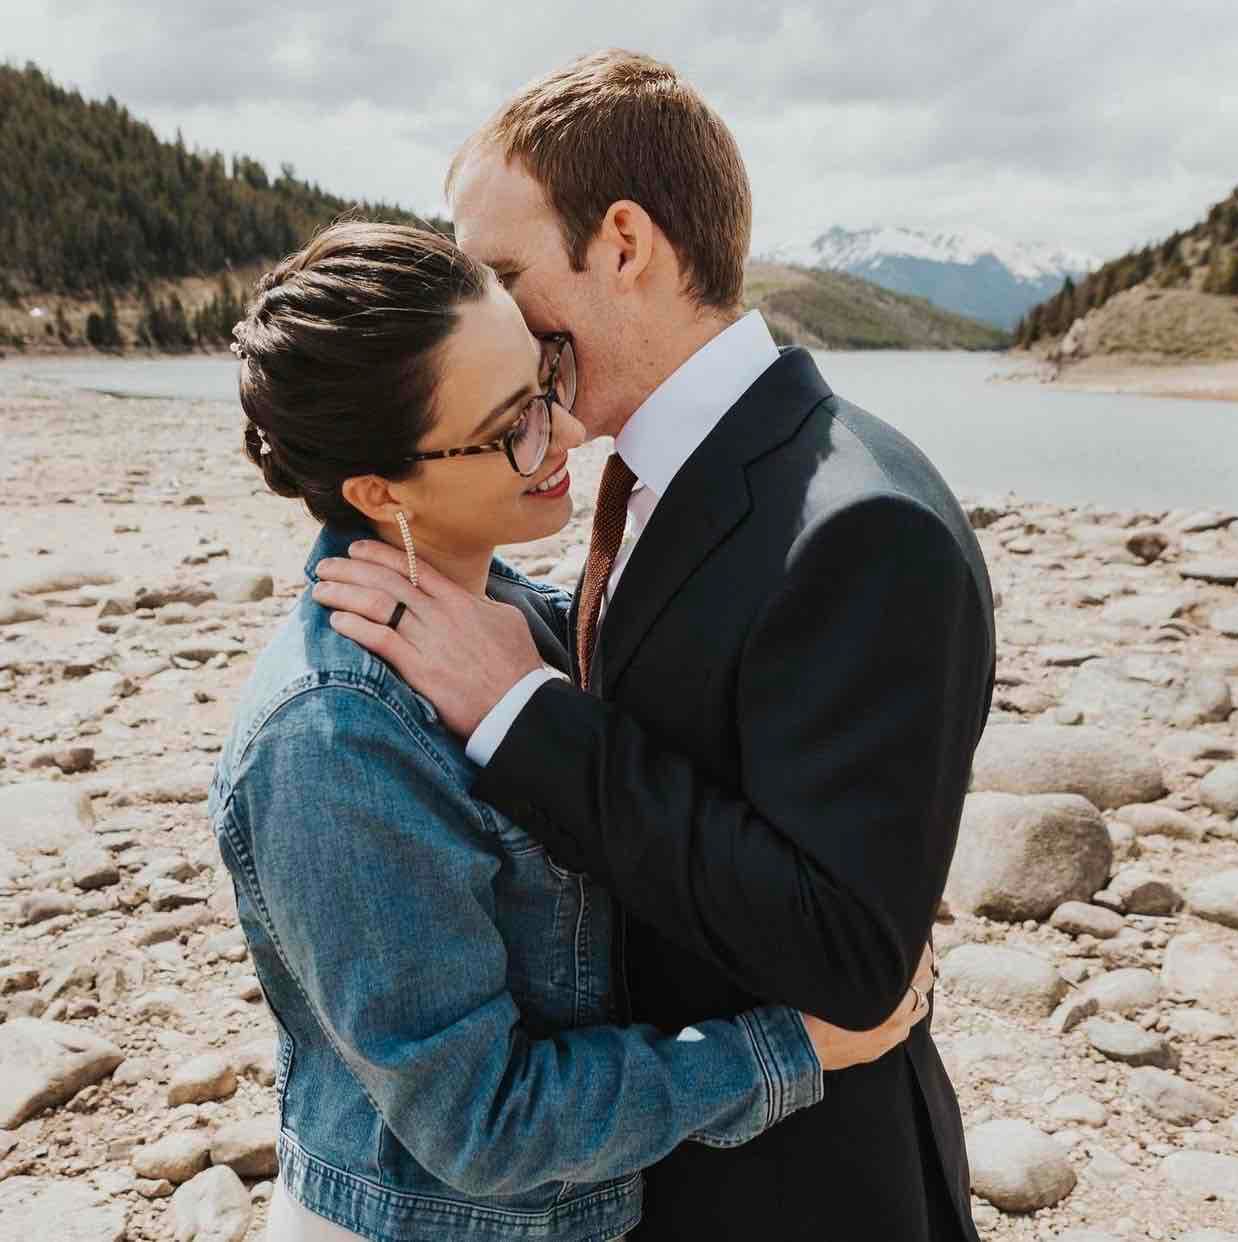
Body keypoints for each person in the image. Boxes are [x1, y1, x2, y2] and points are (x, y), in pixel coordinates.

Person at [315, 51, 997, 1242]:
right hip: (661, 1168)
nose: (491, 321)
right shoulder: (656, 473)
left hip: (800, 1195)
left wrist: (521, 711)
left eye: (503, 275)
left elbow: (848, 954)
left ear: (624, 243)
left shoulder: (863, 525)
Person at [209, 220, 935, 1242]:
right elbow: (483, 1123)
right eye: (511, 426)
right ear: (380, 491)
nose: (563, 433)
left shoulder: (511, 611)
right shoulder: (332, 741)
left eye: (544, 381)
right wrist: (796, 1047)